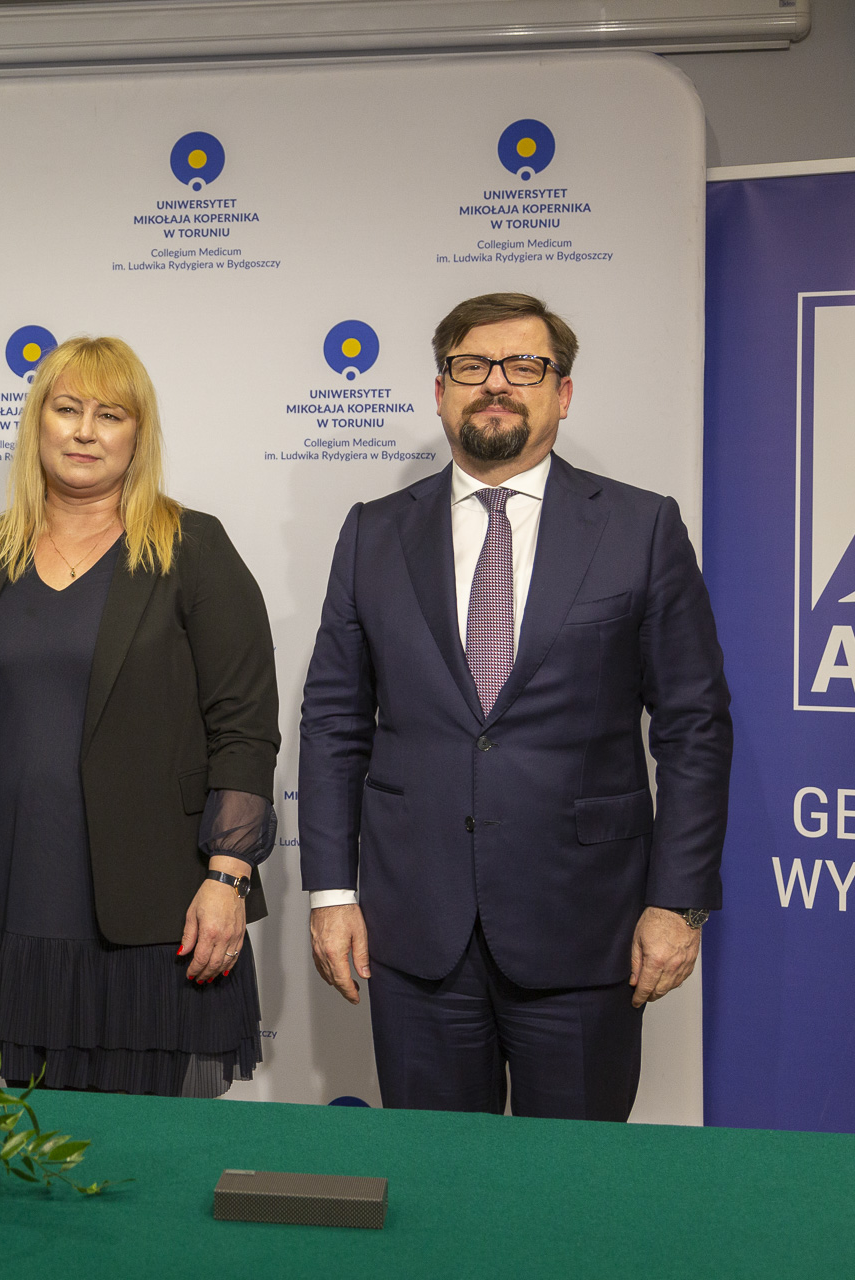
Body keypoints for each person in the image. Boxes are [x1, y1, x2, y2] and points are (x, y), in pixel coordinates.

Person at [299, 292, 732, 1121]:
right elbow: (333, 725)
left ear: (562, 393)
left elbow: (694, 728)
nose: (495, 383)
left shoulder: (640, 528)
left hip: (588, 930)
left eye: (524, 367)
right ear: (440, 392)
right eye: (472, 366)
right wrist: (330, 894)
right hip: (415, 931)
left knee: (572, 1187)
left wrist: (678, 902)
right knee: (433, 1182)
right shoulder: (372, 533)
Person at [0, 335, 280, 1097]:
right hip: (3, 911)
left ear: (138, 434)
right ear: (37, 422)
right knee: (11, 1148)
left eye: (110, 415)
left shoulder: (192, 547)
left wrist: (228, 877)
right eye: (67, 409)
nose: (84, 431)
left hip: (156, 920)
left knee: (148, 1155)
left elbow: (244, 727)